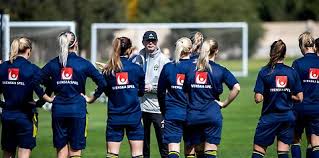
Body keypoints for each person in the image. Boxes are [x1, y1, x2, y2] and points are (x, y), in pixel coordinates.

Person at [37, 31, 106, 158]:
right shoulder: (83, 63)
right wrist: (92, 98)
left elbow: (35, 81)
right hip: (77, 110)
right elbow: (102, 82)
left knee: (61, 150)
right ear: (76, 44)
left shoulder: (53, 63)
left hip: (58, 110)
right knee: (75, 151)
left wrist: (47, 98)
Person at [184, 39, 240, 158]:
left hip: (192, 115)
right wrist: (224, 103)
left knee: (195, 151)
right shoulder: (220, 70)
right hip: (212, 114)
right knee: (210, 152)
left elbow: (184, 92)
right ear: (216, 51)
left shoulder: (190, 69)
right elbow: (237, 87)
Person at [0, 37, 52, 158]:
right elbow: (50, 84)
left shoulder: (2, 68)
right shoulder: (32, 69)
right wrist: (40, 102)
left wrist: (3, 105)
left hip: (7, 116)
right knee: (24, 153)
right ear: (28, 51)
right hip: (26, 116)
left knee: (7, 152)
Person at [252, 39, 303, 158]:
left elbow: (258, 98)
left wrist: (269, 93)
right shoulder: (291, 72)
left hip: (269, 117)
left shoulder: (264, 71)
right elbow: (300, 97)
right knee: (283, 151)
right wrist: (287, 94)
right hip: (287, 117)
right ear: (284, 54)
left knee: (258, 151)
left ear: (271, 53)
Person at [102, 37, 145, 158]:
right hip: (134, 116)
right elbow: (141, 92)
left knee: (112, 154)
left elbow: (107, 91)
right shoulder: (137, 69)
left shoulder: (108, 70)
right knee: (137, 154)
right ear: (129, 50)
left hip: (115, 116)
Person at [130, 30, 170, 158]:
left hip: (158, 108)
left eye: (153, 41)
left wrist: (151, 87)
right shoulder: (137, 59)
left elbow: (169, 86)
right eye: (148, 40)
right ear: (143, 42)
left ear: (157, 42)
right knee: (143, 147)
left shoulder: (164, 61)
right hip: (140, 108)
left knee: (164, 146)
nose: (150, 43)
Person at [157, 37, 193, 158]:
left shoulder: (168, 67)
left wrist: (163, 110)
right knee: (190, 149)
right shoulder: (196, 68)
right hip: (193, 113)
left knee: (173, 150)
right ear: (190, 49)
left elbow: (160, 92)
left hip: (172, 112)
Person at [291, 32, 319, 158]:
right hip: (317, 108)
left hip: (299, 108)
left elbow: (291, 87)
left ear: (302, 46)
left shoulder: (297, 63)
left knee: (295, 139)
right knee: (315, 143)